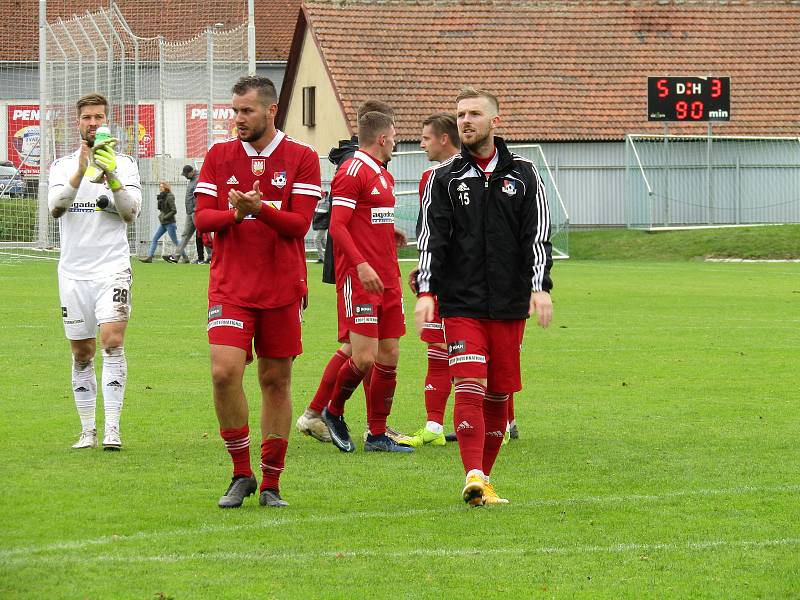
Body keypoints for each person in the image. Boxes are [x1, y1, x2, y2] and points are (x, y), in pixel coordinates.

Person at [414, 88, 553, 506]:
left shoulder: (525, 174)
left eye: (475, 113)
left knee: (497, 393)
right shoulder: (445, 177)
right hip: (460, 304)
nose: (466, 121)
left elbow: (538, 236)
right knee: (469, 380)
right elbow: (430, 238)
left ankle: (483, 478)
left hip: (510, 305)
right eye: (460, 115)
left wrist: (539, 287)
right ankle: (472, 473)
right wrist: (426, 290)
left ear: (497, 120)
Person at [194, 75, 321, 508]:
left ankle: (271, 483)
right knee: (223, 372)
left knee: (275, 381)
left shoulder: (302, 157)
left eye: (246, 111)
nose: (238, 119)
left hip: (282, 288)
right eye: (234, 111)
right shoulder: (218, 155)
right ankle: (240, 473)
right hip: (230, 286)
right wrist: (236, 213)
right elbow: (202, 219)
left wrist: (261, 209)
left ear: (270, 111)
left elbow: (299, 225)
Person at [296, 100, 408, 445]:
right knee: (363, 356)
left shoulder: (383, 173)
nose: (397, 142)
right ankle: (332, 410)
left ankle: (377, 434)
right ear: (384, 138)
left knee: (389, 355)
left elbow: (367, 220)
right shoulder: (352, 172)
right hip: (360, 279)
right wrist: (361, 265)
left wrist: (390, 233)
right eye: (395, 136)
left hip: (388, 276)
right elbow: (338, 228)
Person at [47, 92, 142, 451]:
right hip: (73, 273)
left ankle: (112, 430)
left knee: (112, 342)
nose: (93, 123)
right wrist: (81, 169)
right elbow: (56, 209)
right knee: (82, 352)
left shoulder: (126, 164)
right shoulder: (61, 166)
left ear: (107, 121)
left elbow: (131, 213)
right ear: (78, 123)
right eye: (87, 117)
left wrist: (111, 175)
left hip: (112, 269)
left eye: (99, 117)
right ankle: (87, 430)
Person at [398, 113, 461, 449]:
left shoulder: (452, 175)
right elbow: (430, 232)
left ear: (444, 139)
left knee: (480, 351)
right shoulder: (430, 177)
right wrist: (425, 270)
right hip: (442, 279)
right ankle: (435, 428)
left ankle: (502, 425)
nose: (421, 144)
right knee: (439, 350)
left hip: (464, 282)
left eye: (425, 138)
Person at [164, 164, 199, 264]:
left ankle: (211, 255)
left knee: (203, 235)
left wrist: (196, 209)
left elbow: (198, 196)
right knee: (185, 234)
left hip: (195, 212)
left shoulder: (197, 180)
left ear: (191, 172)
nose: (185, 176)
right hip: (190, 212)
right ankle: (176, 256)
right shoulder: (192, 180)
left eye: (186, 174)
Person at [140, 181, 178, 262]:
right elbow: (162, 210)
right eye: (159, 187)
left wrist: (164, 217)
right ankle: (149, 257)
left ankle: (185, 258)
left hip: (170, 223)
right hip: (163, 223)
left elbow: (174, 210)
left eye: (162, 187)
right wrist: (162, 216)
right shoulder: (162, 197)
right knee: (155, 239)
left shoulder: (170, 196)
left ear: (166, 187)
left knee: (175, 241)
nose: (160, 188)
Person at [311, 190, 330, 263]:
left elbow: (330, 215)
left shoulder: (327, 204)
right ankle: (332, 255)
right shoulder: (318, 203)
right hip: (319, 224)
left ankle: (322, 258)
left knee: (317, 240)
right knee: (323, 241)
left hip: (323, 225)